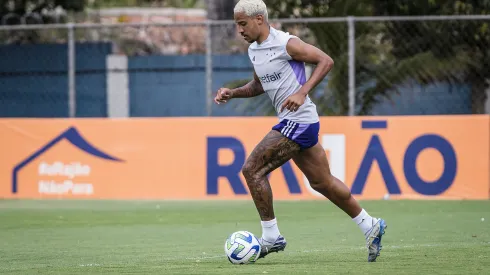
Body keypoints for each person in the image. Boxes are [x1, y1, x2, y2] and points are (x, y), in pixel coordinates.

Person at [214, 0, 387, 262]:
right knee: (322, 182)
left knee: (252, 170)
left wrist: (301, 91)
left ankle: (271, 237)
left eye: (242, 23)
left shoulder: (286, 43)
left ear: (259, 19)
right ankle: (369, 224)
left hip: (299, 120)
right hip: (294, 122)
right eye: (237, 24)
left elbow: (325, 61)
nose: (239, 29)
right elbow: (260, 85)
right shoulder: (254, 51)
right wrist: (233, 93)